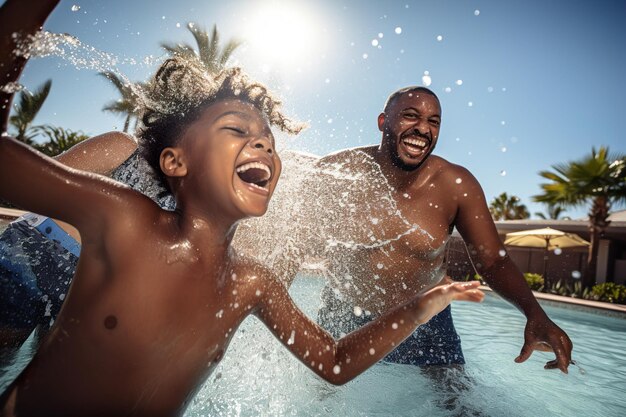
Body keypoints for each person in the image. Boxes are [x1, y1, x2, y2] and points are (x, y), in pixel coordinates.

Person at [0, 1, 484, 415]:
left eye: (268, 143)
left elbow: (335, 364)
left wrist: (423, 306)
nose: (262, 147)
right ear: (176, 160)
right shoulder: (124, 218)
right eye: (236, 131)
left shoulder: (250, 282)